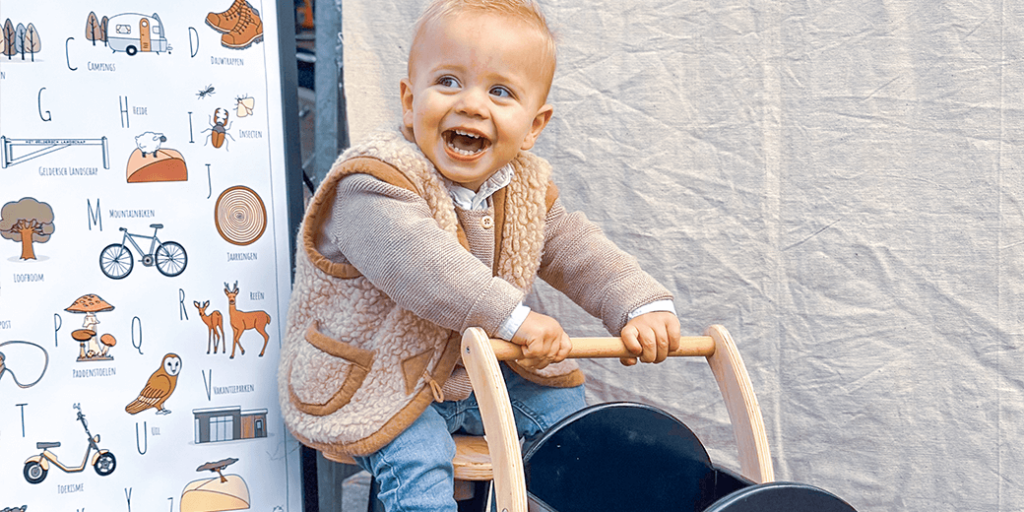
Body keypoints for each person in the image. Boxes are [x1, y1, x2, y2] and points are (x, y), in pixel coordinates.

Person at [278, 1, 681, 510]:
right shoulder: (372, 182)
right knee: (417, 460)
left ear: (534, 126)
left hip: (473, 370)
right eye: (448, 82)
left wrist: (640, 304)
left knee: (572, 420)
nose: (470, 104)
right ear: (409, 100)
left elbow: (578, 250)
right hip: (382, 378)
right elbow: (422, 266)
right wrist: (512, 319)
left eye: (500, 91)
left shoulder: (523, 186)